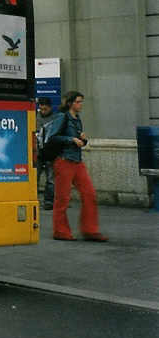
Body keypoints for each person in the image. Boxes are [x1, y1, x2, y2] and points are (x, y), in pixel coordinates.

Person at [49, 90, 108, 242]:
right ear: (70, 103)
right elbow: (53, 137)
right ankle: (60, 231)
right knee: (62, 198)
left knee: (89, 194)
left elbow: (79, 141)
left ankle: (90, 230)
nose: (81, 104)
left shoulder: (77, 119)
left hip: (77, 161)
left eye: (81, 102)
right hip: (64, 161)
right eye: (78, 102)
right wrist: (71, 139)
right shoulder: (62, 117)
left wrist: (83, 140)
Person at [35, 97, 56, 210]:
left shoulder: (55, 119)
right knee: (35, 178)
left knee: (50, 179)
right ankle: (35, 200)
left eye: (45, 109)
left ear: (50, 108)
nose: (43, 111)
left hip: (50, 152)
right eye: (41, 109)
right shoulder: (35, 117)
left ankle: (48, 201)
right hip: (38, 152)